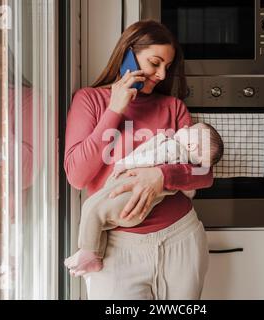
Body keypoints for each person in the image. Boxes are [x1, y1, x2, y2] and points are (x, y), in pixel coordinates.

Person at [64, 19, 216, 300]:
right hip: (114, 248)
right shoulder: (90, 101)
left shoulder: (173, 107)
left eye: (167, 68)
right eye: (154, 62)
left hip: (180, 237)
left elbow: (205, 173)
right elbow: (77, 176)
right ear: (127, 55)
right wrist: (114, 110)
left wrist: (161, 178)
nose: (160, 75)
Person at [64, 122, 224, 276]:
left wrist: (126, 164)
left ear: (191, 146)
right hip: (135, 211)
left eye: (189, 130)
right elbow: (190, 189)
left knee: (91, 207)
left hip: (130, 197)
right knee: (103, 223)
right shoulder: (182, 163)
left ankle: (88, 251)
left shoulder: (173, 148)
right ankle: (95, 257)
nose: (185, 127)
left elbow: (151, 158)